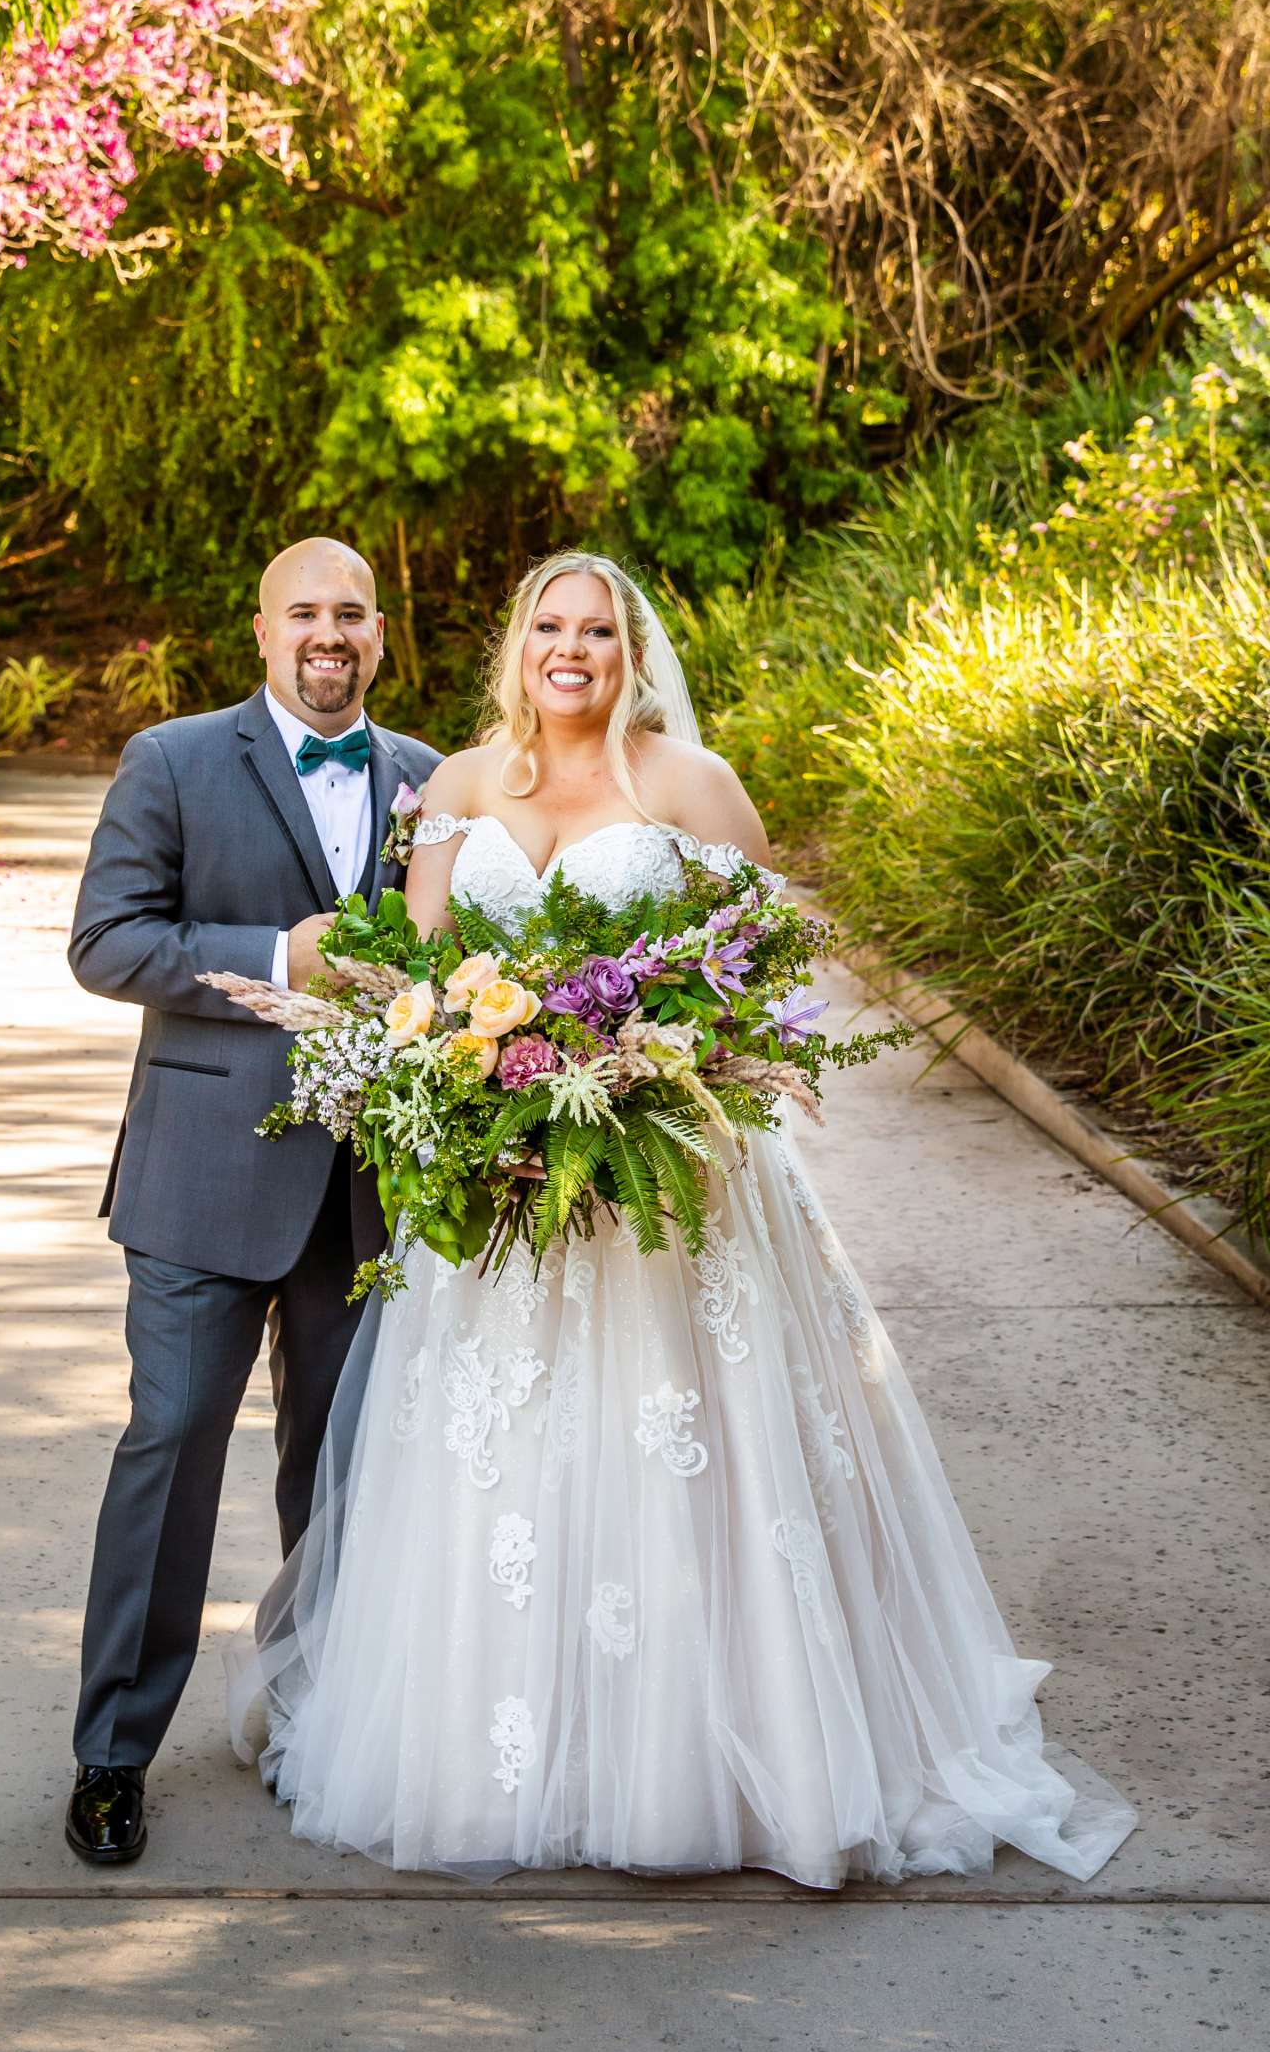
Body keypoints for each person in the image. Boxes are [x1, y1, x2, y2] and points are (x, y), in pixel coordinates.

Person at [225, 548, 1138, 1888]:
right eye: (552, 624)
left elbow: (768, 977)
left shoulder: (690, 787)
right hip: (505, 1199)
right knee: (507, 1470)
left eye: (599, 629)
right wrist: (474, 1099)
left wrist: (666, 1068)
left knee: (678, 1462)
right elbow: (417, 986)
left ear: (633, 651)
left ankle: (714, 1752)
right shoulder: (462, 786)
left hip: (671, 1192)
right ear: (519, 642)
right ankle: (503, 1751)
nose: (573, 650)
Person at [63, 538, 439, 1864]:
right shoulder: (171, 760)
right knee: (168, 1451)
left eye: (350, 614)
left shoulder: (430, 783)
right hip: (202, 1182)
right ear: (262, 631)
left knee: (339, 1479)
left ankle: (312, 1719)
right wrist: (276, 954)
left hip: (367, 1195)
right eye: (304, 614)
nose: (327, 634)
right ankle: (113, 1754)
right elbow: (106, 943)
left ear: (379, 636)